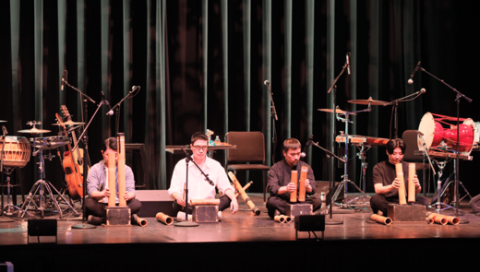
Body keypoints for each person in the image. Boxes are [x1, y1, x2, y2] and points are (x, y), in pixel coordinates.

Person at [168, 132, 238, 216]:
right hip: (189, 205)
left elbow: (226, 187)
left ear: (207, 147)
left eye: (204, 147)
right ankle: (210, 214)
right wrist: (178, 197)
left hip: (209, 205)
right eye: (197, 147)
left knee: (228, 198)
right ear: (191, 147)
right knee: (176, 203)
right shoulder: (181, 165)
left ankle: (197, 215)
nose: (201, 150)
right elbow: (174, 188)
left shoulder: (215, 165)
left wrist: (234, 199)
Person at [85, 137, 141, 225]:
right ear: (102, 153)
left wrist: (128, 195)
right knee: (87, 203)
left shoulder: (127, 170)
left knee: (136, 204)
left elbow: (132, 192)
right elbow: (92, 192)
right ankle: (126, 218)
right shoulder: (95, 169)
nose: (112, 158)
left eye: (115, 155)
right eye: (108, 155)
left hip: (120, 204)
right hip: (103, 205)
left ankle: (101, 220)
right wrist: (103, 194)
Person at [370, 138, 429, 215]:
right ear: (387, 152)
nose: (397, 157)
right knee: (375, 199)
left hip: (406, 201)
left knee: (424, 200)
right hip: (388, 201)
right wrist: (392, 186)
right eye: (394, 154)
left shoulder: (409, 166)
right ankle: (407, 212)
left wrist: (417, 186)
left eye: (400, 154)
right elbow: (378, 190)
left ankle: (395, 212)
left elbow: (417, 192)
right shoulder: (379, 167)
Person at [266, 138, 322, 219]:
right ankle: (302, 212)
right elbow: (273, 189)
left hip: (300, 201)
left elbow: (312, 190)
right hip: (284, 201)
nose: (296, 157)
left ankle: (290, 212)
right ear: (284, 153)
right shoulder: (275, 168)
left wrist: (307, 186)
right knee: (271, 202)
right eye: (292, 154)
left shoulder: (306, 167)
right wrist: (286, 188)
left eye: (298, 154)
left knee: (317, 200)